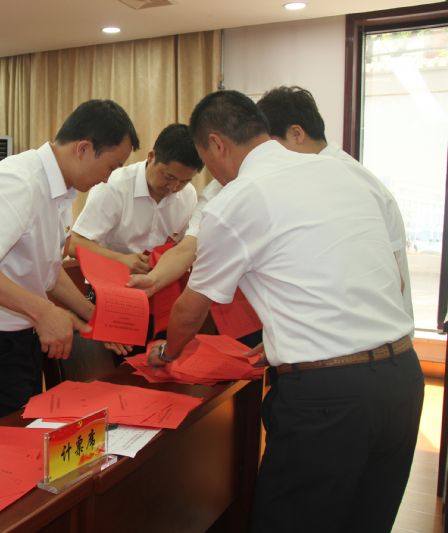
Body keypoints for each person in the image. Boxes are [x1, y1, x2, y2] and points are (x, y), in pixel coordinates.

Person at [148, 90, 423, 532]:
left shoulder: (239, 197)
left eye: (207, 161)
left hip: (329, 398)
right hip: (402, 380)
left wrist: (166, 353)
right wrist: (288, 338)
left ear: (216, 144)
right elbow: (375, 279)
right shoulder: (344, 173)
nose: (213, 174)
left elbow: (188, 312)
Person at [0, 99, 139, 423]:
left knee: (33, 430)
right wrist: (43, 311)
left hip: (22, 335)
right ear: (83, 149)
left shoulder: (62, 190)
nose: (108, 179)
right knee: (19, 439)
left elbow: (48, 271)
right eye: (111, 167)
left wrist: (94, 317)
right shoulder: (19, 181)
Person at [256, 84, 414, 322]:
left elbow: (391, 279)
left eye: (271, 146)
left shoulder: (343, 180)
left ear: (297, 134)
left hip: (369, 330)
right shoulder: (330, 174)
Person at [68, 123, 201, 274]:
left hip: (160, 279)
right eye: (169, 177)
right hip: (110, 276)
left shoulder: (188, 195)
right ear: (151, 157)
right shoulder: (114, 186)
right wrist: (120, 259)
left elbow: (185, 248)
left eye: (184, 181)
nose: (174, 187)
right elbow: (74, 243)